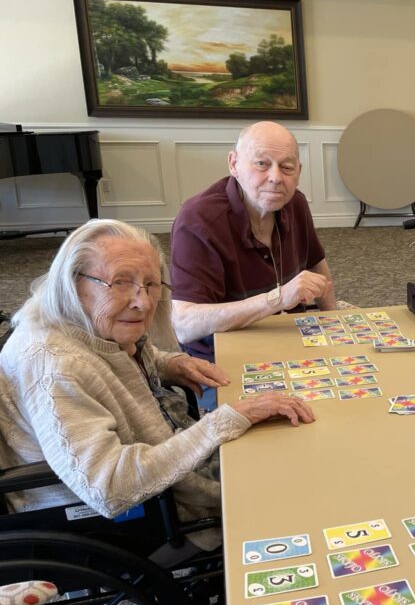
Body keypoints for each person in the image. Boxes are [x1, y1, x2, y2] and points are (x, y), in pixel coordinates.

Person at [0, 219, 316, 551]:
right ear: (74, 283)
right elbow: (109, 487)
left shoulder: (74, 318)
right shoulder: (56, 367)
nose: (144, 302)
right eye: (120, 282)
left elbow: (110, 357)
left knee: (285, 449)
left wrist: (168, 363)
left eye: (151, 284)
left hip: (160, 461)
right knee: (295, 480)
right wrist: (223, 422)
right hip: (123, 517)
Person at [170, 121, 352, 368]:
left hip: (289, 336)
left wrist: (332, 324)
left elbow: (316, 264)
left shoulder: (295, 203)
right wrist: (276, 299)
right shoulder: (198, 220)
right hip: (223, 354)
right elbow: (184, 324)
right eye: (261, 164)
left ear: (299, 170)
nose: (276, 178)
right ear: (234, 164)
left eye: (286, 167)